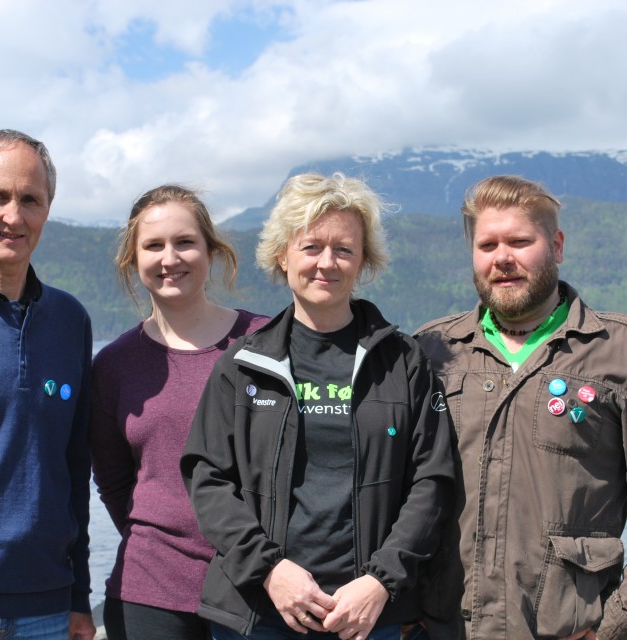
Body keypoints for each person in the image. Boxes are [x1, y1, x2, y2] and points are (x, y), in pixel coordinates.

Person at [181, 172, 455, 640]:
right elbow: (208, 478)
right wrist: (270, 571)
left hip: (368, 616)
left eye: (343, 249)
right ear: (283, 255)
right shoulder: (243, 364)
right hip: (261, 612)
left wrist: (381, 581)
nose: (326, 263)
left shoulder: (404, 363)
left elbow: (433, 480)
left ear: (363, 260)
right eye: (311, 247)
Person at [415, 175, 627, 640]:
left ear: (556, 245)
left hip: (567, 629)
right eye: (487, 244)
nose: (502, 258)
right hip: (443, 627)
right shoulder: (430, 351)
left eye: (519, 241)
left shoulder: (617, 352)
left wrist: (613, 627)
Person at [89, 184, 268, 640]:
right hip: (150, 594)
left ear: (212, 251)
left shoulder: (265, 344)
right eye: (153, 245)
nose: (170, 258)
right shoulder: (112, 365)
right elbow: (112, 481)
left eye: (185, 242)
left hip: (259, 585)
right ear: (133, 260)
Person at [0, 128, 95, 640]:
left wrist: (79, 597)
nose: (13, 216)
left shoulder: (70, 321)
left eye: (30, 199)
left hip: (47, 608)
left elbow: (75, 469)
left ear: (48, 210)